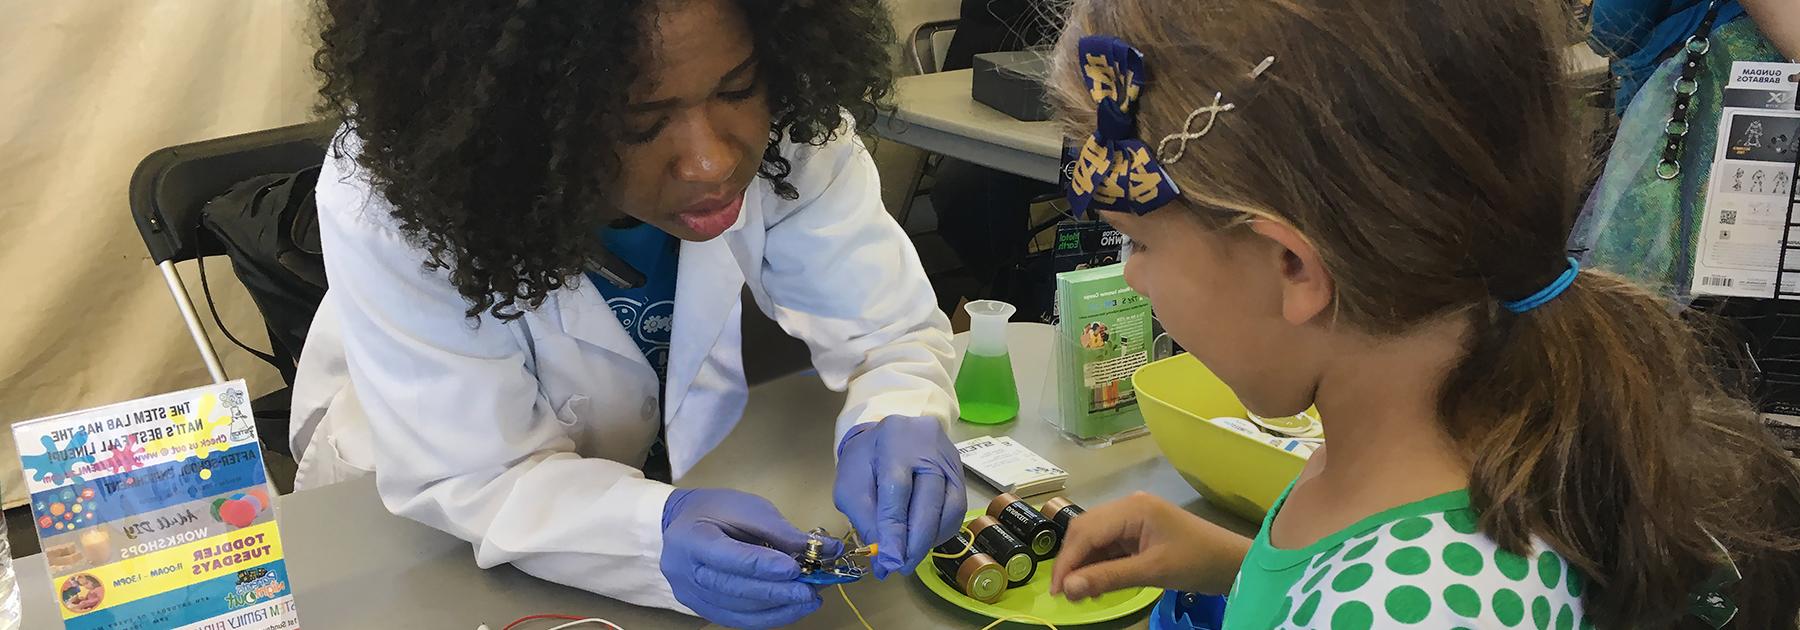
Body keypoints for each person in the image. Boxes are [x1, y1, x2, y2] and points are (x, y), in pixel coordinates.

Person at [1042, 0, 1800, 628]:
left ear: (1292, 267)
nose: (1132, 276)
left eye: (1137, 242)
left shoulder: (1423, 595)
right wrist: (1239, 566)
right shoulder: (1424, 444)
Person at [292, 1, 966, 627]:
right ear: (520, 121)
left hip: (631, 472)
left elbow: (888, 330)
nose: (711, 161)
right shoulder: (393, 202)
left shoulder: (793, 127)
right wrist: (651, 531)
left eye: (737, 89)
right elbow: (475, 475)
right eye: (638, 124)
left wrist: (898, 406)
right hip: (412, 528)